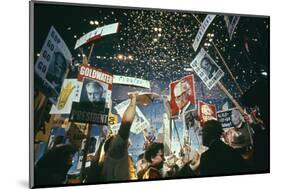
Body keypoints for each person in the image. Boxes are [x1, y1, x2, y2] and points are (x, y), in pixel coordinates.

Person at [98, 93, 138, 182]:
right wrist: (133, 101)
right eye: (117, 137)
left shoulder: (113, 158)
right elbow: (126, 125)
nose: (120, 137)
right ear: (113, 144)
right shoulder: (115, 152)